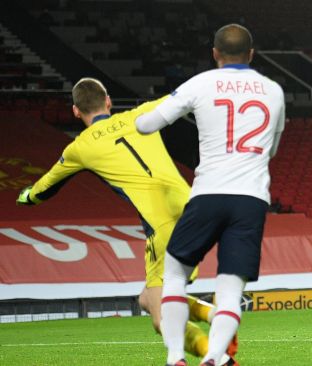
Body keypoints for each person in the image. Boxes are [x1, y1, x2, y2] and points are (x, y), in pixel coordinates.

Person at [15, 78, 233, 362]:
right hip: (196, 211)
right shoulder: (142, 114)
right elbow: (184, 97)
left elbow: (43, 190)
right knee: (146, 299)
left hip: (163, 224)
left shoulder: (79, 148)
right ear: (108, 102)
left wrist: (25, 196)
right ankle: (213, 314)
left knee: (160, 318)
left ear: (75, 112)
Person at [135, 24, 285, 366]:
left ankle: (175, 358)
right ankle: (213, 358)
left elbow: (146, 125)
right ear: (251, 54)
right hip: (250, 199)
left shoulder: (201, 83)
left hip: (207, 194)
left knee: (173, 276)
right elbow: (272, 148)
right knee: (230, 289)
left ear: (215, 53)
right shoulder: (273, 90)